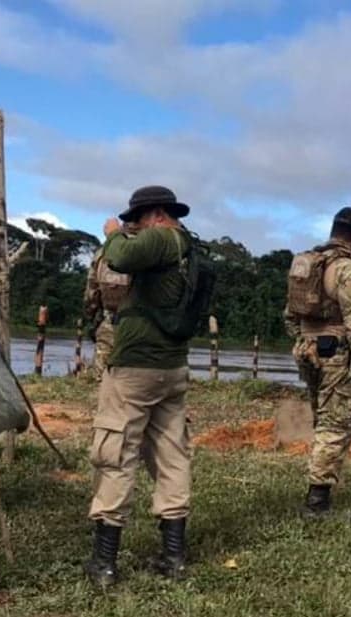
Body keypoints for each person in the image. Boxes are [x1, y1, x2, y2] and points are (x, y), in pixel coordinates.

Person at [85, 186, 199, 584]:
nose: (134, 226)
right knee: (172, 456)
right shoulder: (186, 247)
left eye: (138, 219)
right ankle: (173, 555)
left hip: (135, 368)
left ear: (154, 214)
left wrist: (114, 231)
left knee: (116, 453)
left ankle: (105, 561)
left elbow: (119, 258)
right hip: (172, 367)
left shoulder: (161, 237)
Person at [284, 207, 351, 516]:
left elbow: (290, 316)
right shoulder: (346, 268)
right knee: (334, 426)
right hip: (337, 355)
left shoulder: (310, 261)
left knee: (322, 419)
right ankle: (317, 503)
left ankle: (317, 492)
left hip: (308, 351)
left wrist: (306, 339)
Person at [82, 238, 132, 377]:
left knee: (102, 375)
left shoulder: (104, 252)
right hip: (146, 327)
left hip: (109, 320)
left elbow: (91, 292)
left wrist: (91, 317)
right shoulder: (154, 248)